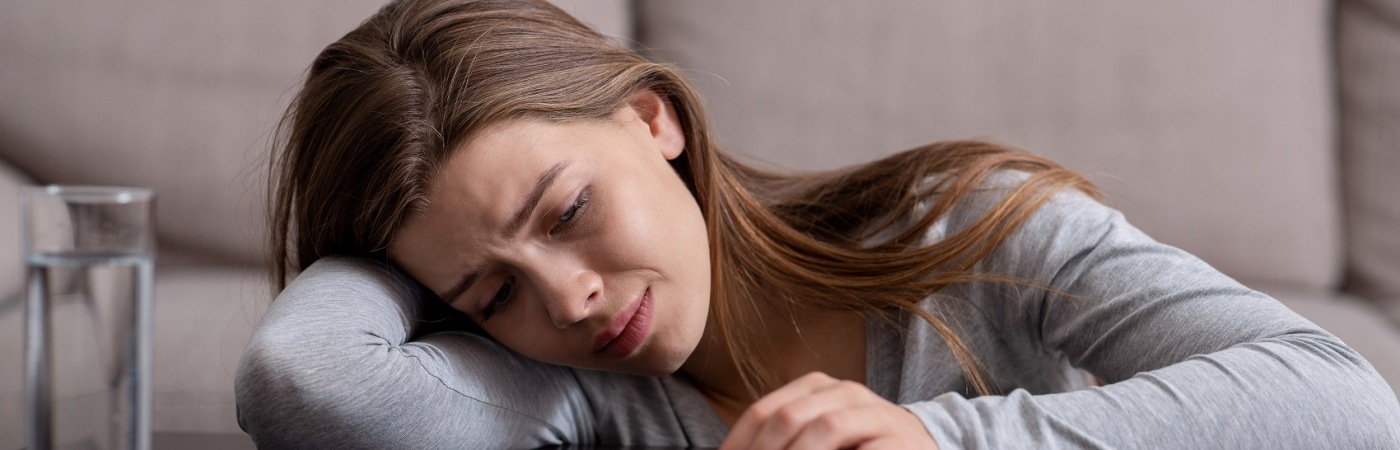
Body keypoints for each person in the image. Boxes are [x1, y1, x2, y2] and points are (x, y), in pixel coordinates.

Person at [241, 0, 1400, 448]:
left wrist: (943, 447)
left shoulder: (967, 231)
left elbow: (1343, 404)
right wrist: (395, 251)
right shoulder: (568, 391)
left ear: (654, 121)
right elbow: (305, 377)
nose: (570, 298)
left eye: (568, 211)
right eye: (490, 290)